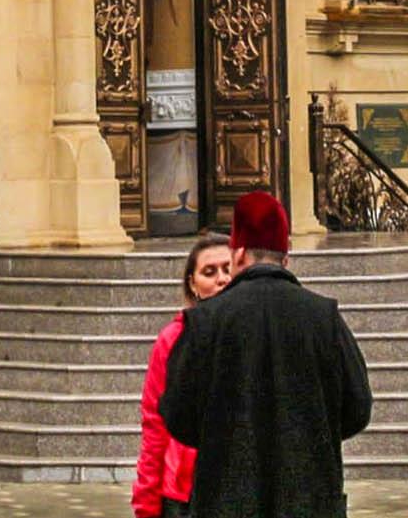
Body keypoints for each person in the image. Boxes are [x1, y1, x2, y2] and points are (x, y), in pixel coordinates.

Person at [159, 191, 372, 517]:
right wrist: (309, 430)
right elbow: (358, 407)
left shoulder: (205, 321)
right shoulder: (323, 318)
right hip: (309, 499)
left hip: (225, 501)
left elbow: (177, 414)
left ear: (238, 255)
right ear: (285, 258)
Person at [133, 233, 236, 514]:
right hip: (183, 493)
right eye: (209, 272)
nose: (222, 279)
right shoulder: (173, 339)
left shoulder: (254, 333)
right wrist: (147, 501)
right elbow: (155, 423)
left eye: (228, 269)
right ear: (192, 284)